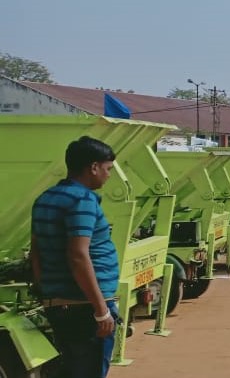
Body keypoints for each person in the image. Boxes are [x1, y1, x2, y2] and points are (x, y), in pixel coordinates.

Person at [30, 136, 122, 378]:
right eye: (107, 168)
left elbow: (36, 254)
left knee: (72, 370)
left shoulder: (45, 199)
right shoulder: (82, 200)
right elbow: (78, 255)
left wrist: (48, 293)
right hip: (86, 308)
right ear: (93, 167)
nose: (109, 175)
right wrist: (101, 309)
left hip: (60, 305)